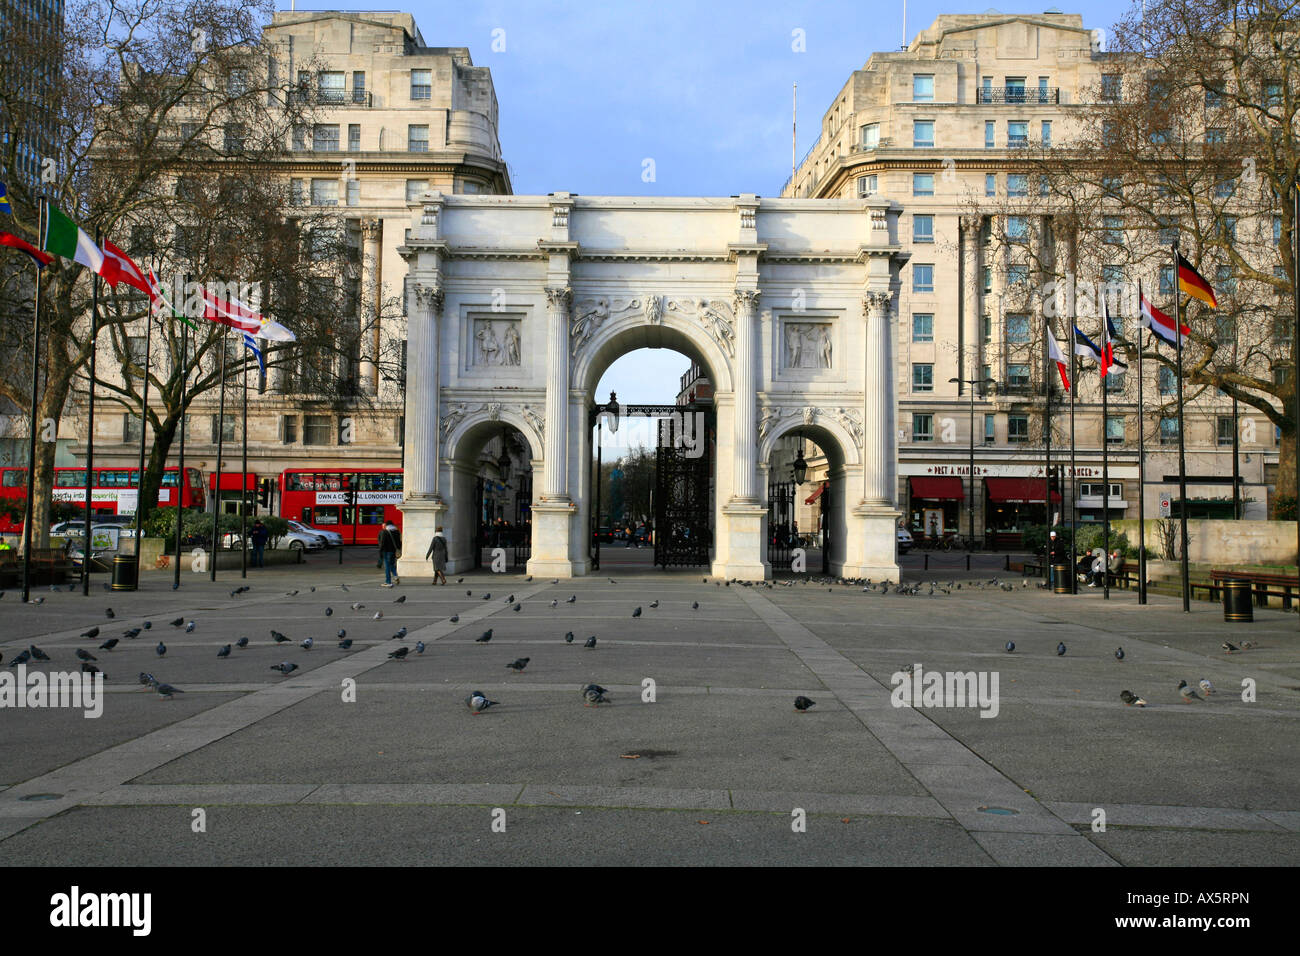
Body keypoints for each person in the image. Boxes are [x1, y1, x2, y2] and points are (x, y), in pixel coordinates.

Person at [378, 519, 401, 586]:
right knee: (392, 564)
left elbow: (382, 542)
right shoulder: (397, 531)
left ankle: (388, 582)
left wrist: (380, 551)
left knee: (387, 566)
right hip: (393, 551)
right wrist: (398, 549)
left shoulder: (385, 532)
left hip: (386, 551)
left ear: (387, 525)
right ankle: (395, 576)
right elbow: (399, 543)